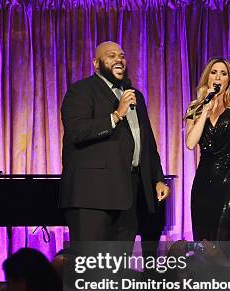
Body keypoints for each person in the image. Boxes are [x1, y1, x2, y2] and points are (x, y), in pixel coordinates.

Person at [60, 41, 169, 251]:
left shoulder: (134, 95)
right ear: (96, 63)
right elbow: (77, 131)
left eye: (122, 56)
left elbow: (146, 142)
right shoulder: (81, 91)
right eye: (111, 56)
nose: (118, 60)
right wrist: (116, 115)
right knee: (91, 268)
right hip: (92, 197)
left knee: (117, 271)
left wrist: (157, 178)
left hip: (128, 195)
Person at [185, 58, 230, 244]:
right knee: (203, 245)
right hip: (203, 182)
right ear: (208, 77)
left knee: (221, 245)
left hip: (228, 181)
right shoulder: (195, 108)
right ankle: (206, 274)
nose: (218, 77)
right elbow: (190, 143)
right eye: (214, 72)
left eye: (223, 74)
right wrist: (205, 111)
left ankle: (224, 273)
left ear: (229, 80)